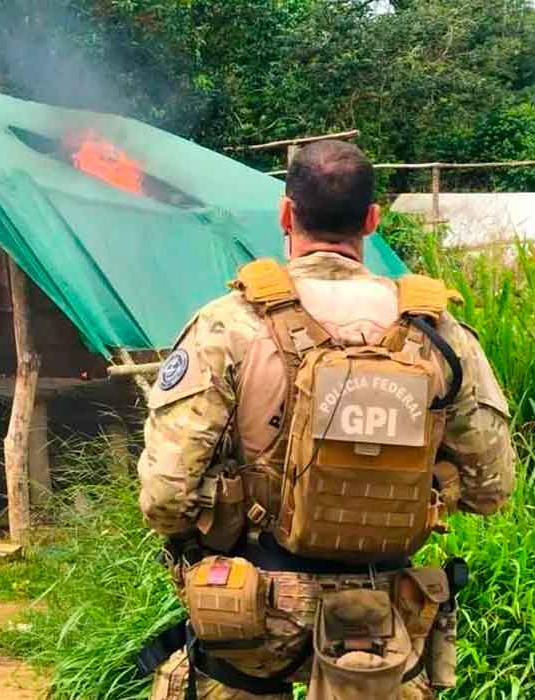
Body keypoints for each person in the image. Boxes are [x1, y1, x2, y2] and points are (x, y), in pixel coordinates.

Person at [136, 140, 514, 700]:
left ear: (286, 213)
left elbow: (164, 497)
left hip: (250, 613)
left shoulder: (229, 325)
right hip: (384, 616)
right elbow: (493, 490)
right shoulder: (439, 333)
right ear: (372, 220)